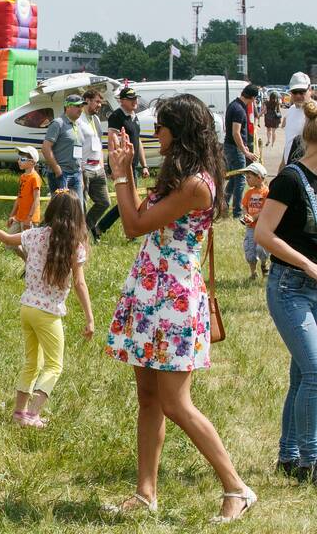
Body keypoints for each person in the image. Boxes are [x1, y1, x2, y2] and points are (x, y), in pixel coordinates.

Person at [103, 94, 255, 522]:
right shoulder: (181, 176)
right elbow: (137, 216)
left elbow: (132, 225)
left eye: (162, 128)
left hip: (172, 299)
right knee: (148, 399)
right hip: (152, 291)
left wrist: (120, 173)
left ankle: (237, 487)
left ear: (181, 132)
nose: (156, 134)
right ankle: (146, 493)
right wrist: (126, 172)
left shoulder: (194, 185)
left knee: (175, 402)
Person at [0, 190, 94, 428]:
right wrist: (89, 318)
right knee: (54, 365)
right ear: (78, 217)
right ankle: (32, 415)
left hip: (27, 308)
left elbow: (7, 239)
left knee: (31, 363)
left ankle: (19, 413)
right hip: (48, 314)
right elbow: (79, 283)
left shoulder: (36, 235)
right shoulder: (74, 246)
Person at [255, 100, 317, 483]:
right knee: (315, 372)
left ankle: (289, 456)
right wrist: (308, 265)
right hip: (290, 288)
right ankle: (311, 461)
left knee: (302, 376)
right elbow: (263, 235)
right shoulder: (291, 180)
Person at [97, 87, 149, 236]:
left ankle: (108, 228)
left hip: (133, 165)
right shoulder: (116, 116)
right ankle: (102, 228)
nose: (135, 102)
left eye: (136, 99)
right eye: (131, 99)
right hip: (123, 165)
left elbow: (138, 142)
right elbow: (112, 140)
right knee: (127, 201)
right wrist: (114, 167)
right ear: (122, 101)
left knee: (130, 201)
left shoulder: (134, 117)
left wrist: (144, 165)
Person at [224, 83, 260, 219]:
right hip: (235, 148)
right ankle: (237, 212)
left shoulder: (234, 104)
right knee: (240, 180)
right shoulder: (239, 110)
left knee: (234, 177)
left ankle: (224, 203)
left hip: (231, 147)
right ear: (252, 98)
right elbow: (236, 133)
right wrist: (245, 152)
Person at [42, 94, 85, 201]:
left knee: (78, 210)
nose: (81, 109)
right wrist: (57, 170)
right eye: (78, 106)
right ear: (68, 107)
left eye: (82, 106)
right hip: (62, 174)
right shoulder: (58, 123)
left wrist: (81, 173)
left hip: (76, 173)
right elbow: (46, 148)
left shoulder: (77, 124)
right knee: (62, 211)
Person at [80, 89, 109, 240]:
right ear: (87, 100)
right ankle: (79, 237)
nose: (99, 105)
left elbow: (99, 143)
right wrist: (80, 168)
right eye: (97, 102)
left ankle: (84, 229)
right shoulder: (78, 120)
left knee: (104, 202)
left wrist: (103, 164)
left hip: (98, 168)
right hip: (84, 169)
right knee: (82, 206)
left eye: (100, 102)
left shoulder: (96, 119)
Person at [6, 145, 42, 259]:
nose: (19, 161)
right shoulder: (22, 177)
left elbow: (36, 199)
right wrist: (12, 215)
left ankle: (32, 265)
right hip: (19, 217)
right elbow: (19, 197)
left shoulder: (35, 178)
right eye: (19, 159)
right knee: (10, 243)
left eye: (22, 159)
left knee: (29, 246)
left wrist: (29, 218)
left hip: (29, 219)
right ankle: (28, 263)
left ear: (32, 162)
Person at [240, 161, 270, 279]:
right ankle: (253, 273)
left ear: (259, 177)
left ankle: (264, 264)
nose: (247, 179)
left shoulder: (267, 192)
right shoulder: (249, 193)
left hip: (262, 227)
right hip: (251, 228)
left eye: (249, 177)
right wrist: (246, 215)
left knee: (261, 249)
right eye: (246, 177)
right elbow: (244, 206)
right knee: (250, 251)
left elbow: (267, 210)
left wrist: (254, 217)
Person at [284, 72, 312, 167]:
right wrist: (282, 166)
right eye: (295, 92)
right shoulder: (291, 110)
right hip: (291, 166)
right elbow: (289, 141)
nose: (298, 96)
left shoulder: (314, 112)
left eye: (301, 92)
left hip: (309, 169)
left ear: (310, 90)